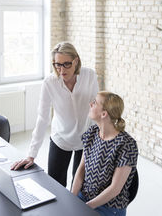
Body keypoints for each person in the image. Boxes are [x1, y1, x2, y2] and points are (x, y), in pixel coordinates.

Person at [11, 42, 99, 187]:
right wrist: (31, 155)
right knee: (55, 187)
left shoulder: (89, 75)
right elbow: (42, 118)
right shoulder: (50, 82)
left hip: (86, 140)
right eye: (57, 64)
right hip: (61, 139)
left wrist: (100, 140)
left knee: (80, 188)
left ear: (76, 61)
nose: (61, 69)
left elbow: (96, 107)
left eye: (66, 64)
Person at [72, 91, 138, 216]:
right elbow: (81, 169)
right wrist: (71, 198)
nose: (91, 104)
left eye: (95, 102)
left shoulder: (126, 145)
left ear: (104, 114)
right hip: (84, 197)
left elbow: (115, 189)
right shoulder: (92, 132)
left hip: (108, 206)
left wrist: (85, 208)